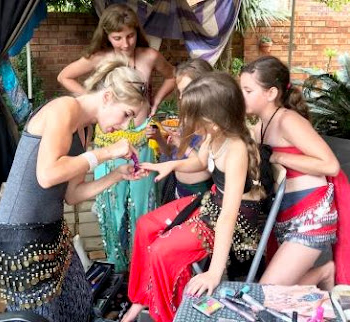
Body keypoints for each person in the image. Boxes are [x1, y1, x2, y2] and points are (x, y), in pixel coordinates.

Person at [0, 59, 149, 322]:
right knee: (46, 317)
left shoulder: (86, 128)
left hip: (52, 234)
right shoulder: (64, 108)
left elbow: (73, 194)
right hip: (20, 240)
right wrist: (105, 153)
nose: (126, 126)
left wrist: (118, 175)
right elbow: (48, 175)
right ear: (107, 97)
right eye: (127, 114)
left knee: (79, 305)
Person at [123, 72, 267, 322]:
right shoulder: (214, 135)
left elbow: (228, 216)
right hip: (213, 202)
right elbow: (201, 161)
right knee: (145, 225)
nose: (186, 120)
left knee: (161, 251)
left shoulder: (236, 150)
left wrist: (214, 272)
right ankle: (141, 298)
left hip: (235, 220)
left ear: (213, 119)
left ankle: (167, 316)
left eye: (191, 115)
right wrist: (170, 166)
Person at [57, 3, 175, 272]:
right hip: (109, 141)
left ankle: (143, 264)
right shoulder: (100, 58)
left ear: (137, 32)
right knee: (112, 204)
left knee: (143, 203)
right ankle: (117, 265)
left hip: (142, 137)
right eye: (117, 37)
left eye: (130, 35)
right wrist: (89, 99)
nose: (125, 43)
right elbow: (64, 76)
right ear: (107, 35)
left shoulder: (149, 55)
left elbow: (173, 76)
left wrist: (155, 100)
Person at [240, 55, 340, 290]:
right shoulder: (262, 124)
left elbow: (331, 165)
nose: (241, 96)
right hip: (285, 216)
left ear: (271, 93)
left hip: (310, 217)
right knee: (268, 291)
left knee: (267, 292)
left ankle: (325, 272)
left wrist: (280, 157)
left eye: (247, 90)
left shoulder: (288, 120)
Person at [146, 58, 214, 204]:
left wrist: (181, 145)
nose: (182, 97)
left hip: (199, 196)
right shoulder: (186, 120)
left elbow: (203, 164)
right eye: (180, 92)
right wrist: (158, 138)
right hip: (179, 191)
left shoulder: (212, 126)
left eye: (187, 91)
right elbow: (171, 153)